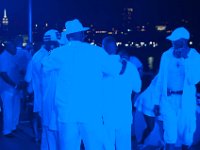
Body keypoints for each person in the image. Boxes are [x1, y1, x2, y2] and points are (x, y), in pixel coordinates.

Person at [42, 19, 125, 150]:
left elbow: (45, 65)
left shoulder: (59, 53)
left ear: (67, 36)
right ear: (81, 34)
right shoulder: (96, 52)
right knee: (94, 147)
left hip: (67, 112)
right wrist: (123, 62)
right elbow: (115, 70)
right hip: (90, 110)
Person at [153, 27, 200, 150]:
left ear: (184, 41)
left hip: (186, 101)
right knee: (169, 136)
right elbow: (160, 79)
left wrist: (186, 58)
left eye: (175, 40)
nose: (172, 43)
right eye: (172, 40)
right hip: (168, 100)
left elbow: (194, 80)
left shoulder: (194, 56)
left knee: (187, 136)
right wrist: (156, 102)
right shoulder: (166, 55)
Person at [102, 36, 141, 150]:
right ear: (116, 47)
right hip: (123, 113)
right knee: (124, 146)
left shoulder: (99, 65)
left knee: (107, 146)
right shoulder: (130, 67)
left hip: (105, 113)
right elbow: (137, 88)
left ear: (103, 48)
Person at [27, 29, 60, 149]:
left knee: (48, 135)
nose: (58, 46)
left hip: (48, 99)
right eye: (56, 43)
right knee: (50, 132)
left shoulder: (45, 55)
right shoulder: (41, 57)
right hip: (46, 100)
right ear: (50, 43)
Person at [0, 39, 29, 137]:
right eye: (13, 47)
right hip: (7, 88)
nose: (15, 49)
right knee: (8, 109)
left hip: (16, 87)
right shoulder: (3, 57)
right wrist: (15, 84)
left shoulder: (14, 56)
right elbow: (3, 74)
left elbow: (20, 70)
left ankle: (13, 126)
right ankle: (7, 130)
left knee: (16, 107)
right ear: (8, 46)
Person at [134, 75, 164, 149]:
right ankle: (141, 142)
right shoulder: (160, 76)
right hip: (149, 101)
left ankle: (163, 143)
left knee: (164, 126)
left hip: (162, 101)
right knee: (150, 127)